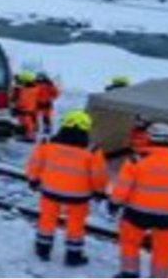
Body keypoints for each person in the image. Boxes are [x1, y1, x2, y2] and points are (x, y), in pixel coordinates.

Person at [109, 123, 168, 278]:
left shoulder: (136, 160)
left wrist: (114, 203)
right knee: (163, 251)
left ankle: (129, 273)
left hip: (137, 212)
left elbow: (122, 186)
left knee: (130, 243)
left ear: (150, 139)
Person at [25, 109, 108, 266]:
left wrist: (33, 180)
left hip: (50, 191)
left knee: (47, 220)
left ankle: (42, 249)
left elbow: (35, 163)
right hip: (79, 196)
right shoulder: (92, 150)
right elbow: (98, 175)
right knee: (75, 225)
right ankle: (73, 256)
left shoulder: (47, 144)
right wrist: (99, 191)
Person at [11, 70, 40, 141]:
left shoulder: (26, 90)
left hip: (26, 111)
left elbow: (20, 100)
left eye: (21, 81)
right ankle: (26, 134)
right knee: (25, 122)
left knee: (27, 123)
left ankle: (30, 136)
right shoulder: (31, 89)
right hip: (25, 111)